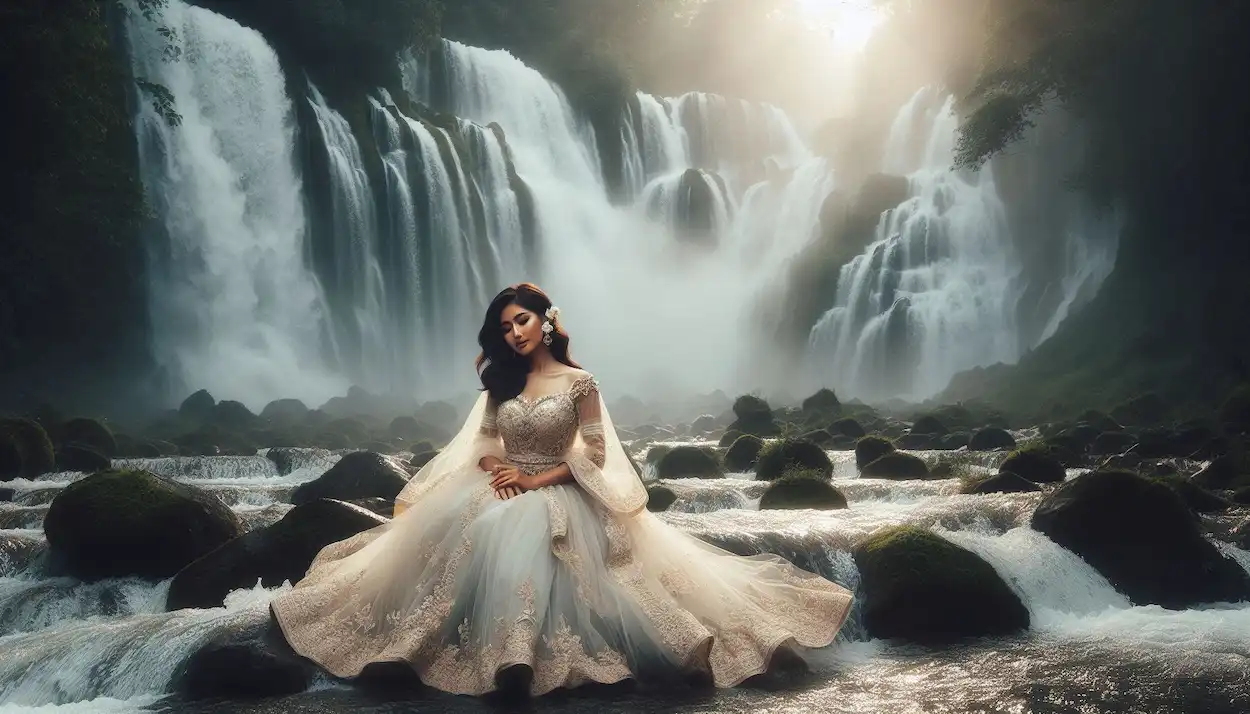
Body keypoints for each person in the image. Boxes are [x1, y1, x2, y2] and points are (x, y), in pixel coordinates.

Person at [270, 283, 853, 697]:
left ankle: (525, 659)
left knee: (527, 534)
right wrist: (497, 467)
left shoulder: (580, 383)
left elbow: (596, 456)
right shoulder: (501, 383)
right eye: (504, 326)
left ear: (545, 319)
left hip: (564, 487)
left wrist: (535, 479)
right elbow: (485, 442)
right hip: (504, 485)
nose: (514, 332)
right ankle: (488, 656)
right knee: (473, 530)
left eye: (521, 320)